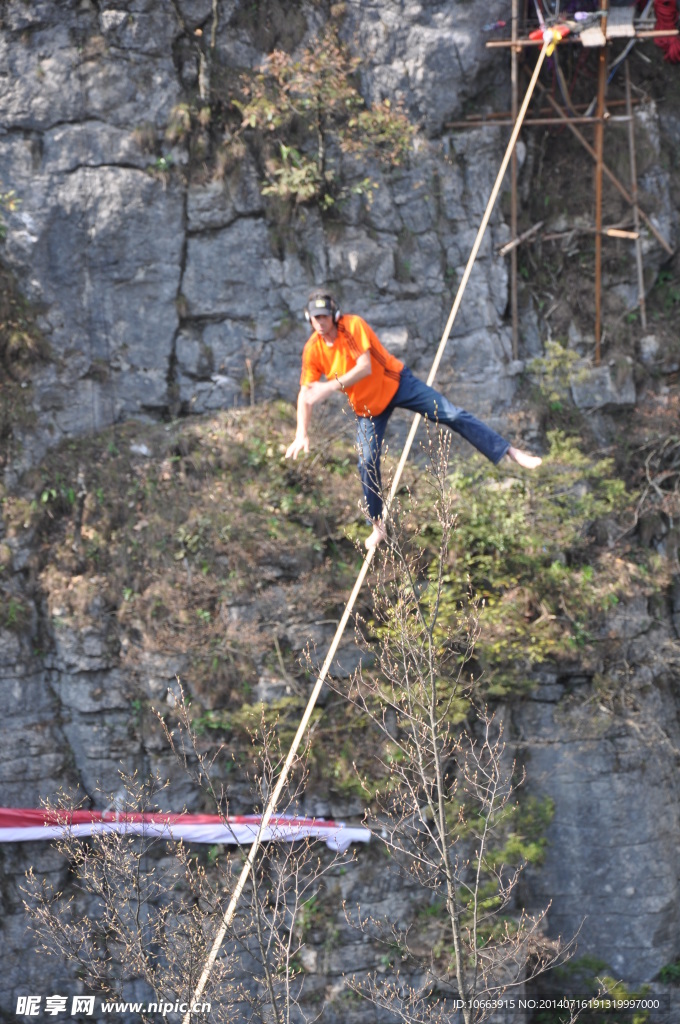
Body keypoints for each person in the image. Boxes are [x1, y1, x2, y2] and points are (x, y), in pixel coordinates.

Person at [285, 290, 542, 549]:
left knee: (450, 413)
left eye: (325, 316)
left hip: (397, 385)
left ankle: (509, 451)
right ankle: (377, 526)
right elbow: (305, 393)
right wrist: (301, 433)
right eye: (315, 317)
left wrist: (329, 387)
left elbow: (365, 367)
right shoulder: (313, 350)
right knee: (366, 462)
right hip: (368, 408)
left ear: (334, 315)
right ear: (309, 318)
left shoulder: (352, 326)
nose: (320, 322)